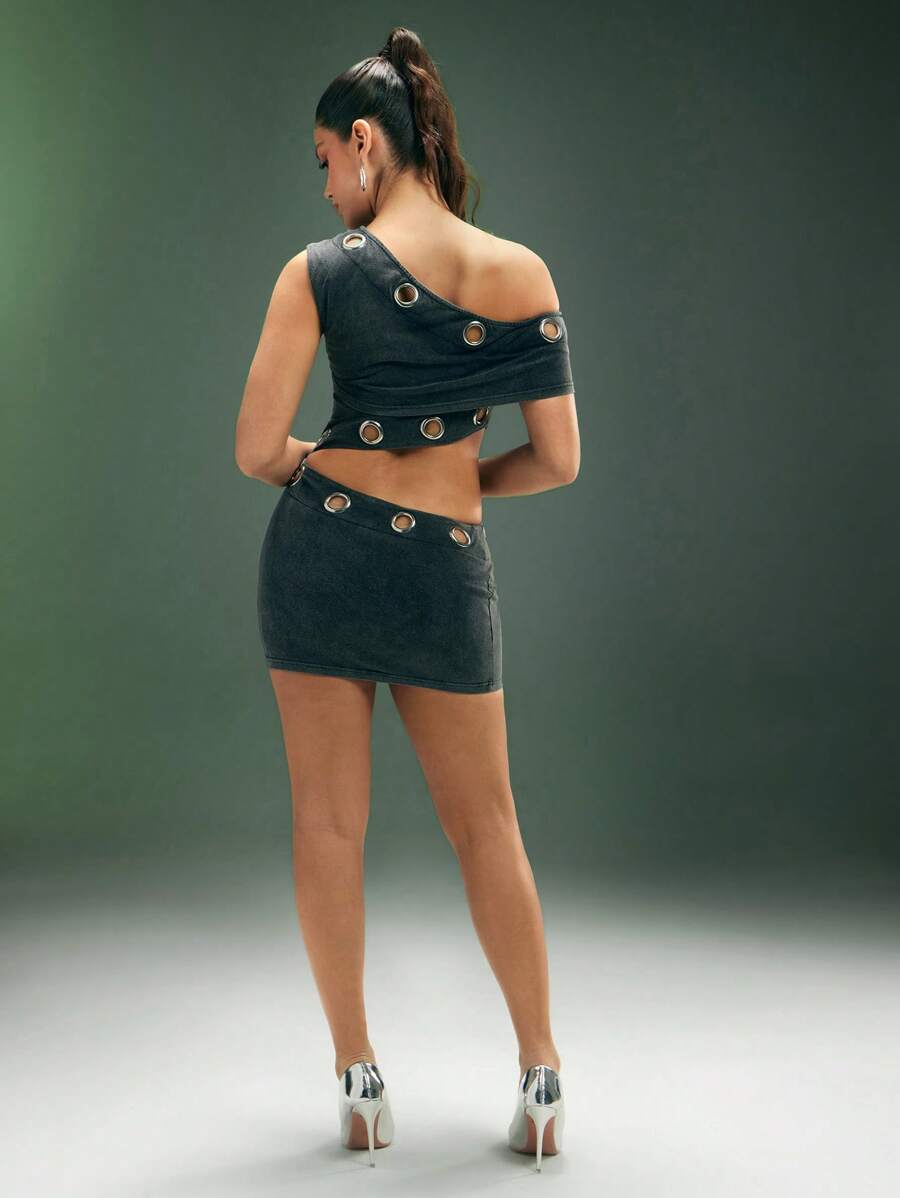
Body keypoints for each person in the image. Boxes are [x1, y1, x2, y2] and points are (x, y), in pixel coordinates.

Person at [235, 25, 578, 1172]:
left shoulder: (317, 272)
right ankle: (541, 1071)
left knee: (330, 825)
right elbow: (559, 460)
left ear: (367, 143)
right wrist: (455, 489)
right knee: (488, 825)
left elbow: (255, 450)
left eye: (326, 160)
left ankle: (359, 1075)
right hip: (444, 566)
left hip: (320, 553)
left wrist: (332, 471)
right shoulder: (521, 271)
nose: (326, 185)